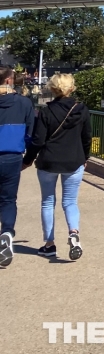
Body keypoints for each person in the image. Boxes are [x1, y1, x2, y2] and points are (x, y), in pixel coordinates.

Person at [22, 73, 91, 261]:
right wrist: (85, 157)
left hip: (48, 162)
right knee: (70, 202)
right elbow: (86, 138)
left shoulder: (46, 111)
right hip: (74, 161)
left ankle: (49, 244)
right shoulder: (82, 109)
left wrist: (27, 160)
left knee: (47, 202)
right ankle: (74, 233)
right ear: (72, 88)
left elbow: (38, 141)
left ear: (53, 89)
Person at [0, 67, 35, 267]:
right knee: (8, 199)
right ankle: (6, 232)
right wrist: (28, 158)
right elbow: (31, 133)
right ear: (8, 81)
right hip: (12, 156)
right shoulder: (23, 103)